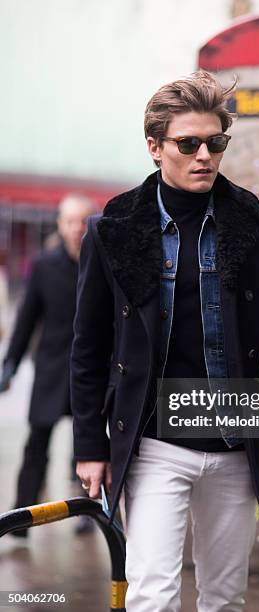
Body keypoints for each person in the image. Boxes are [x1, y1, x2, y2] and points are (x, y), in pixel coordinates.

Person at [71, 70, 259, 612]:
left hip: (234, 443)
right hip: (155, 444)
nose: (204, 155)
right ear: (155, 146)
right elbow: (88, 348)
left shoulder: (258, 226)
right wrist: (91, 446)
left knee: (225, 600)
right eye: (188, 144)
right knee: (153, 596)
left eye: (216, 143)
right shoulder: (112, 228)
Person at [0, 194, 94, 537]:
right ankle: (20, 517)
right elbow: (26, 319)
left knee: (86, 441)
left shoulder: (100, 263)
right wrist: (9, 364)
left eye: (83, 222)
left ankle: (87, 511)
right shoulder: (43, 265)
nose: (76, 229)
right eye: (70, 221)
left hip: (90, 369)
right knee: (37, 440)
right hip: (52, 366)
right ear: (59, 224)